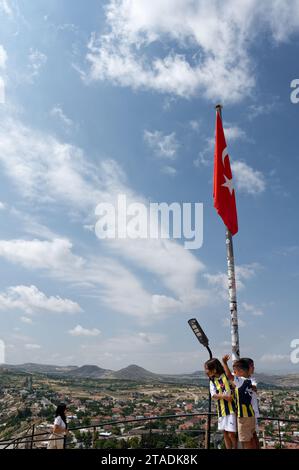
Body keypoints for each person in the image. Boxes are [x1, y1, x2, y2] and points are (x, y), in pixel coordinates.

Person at [222, 355, 255, 449]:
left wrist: (224, 363)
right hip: (250, 415)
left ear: (241, 372)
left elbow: (229, 376)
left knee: (246, 442)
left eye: (235, 372)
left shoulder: (240, 381)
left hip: (244, 417)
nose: (234, 374)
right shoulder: (248, 381)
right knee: (250, 439)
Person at [204, 358, 237, 449]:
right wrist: (224, 397)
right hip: (221, 410)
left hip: (232, 409)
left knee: (231, 434)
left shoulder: (225, 376)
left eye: (207, 369)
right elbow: (213, 394)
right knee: (225, 433)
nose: (205, 371)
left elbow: (235, 384)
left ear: (214, 369)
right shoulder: (212, 381)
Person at [242, 358, 260, 449]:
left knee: (252, 437)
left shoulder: (252, 379)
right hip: (247, 413)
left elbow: (254, 387)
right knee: (251, 437)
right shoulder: (241, 379)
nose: (254, 367)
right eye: (252, 366)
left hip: (251, 413)